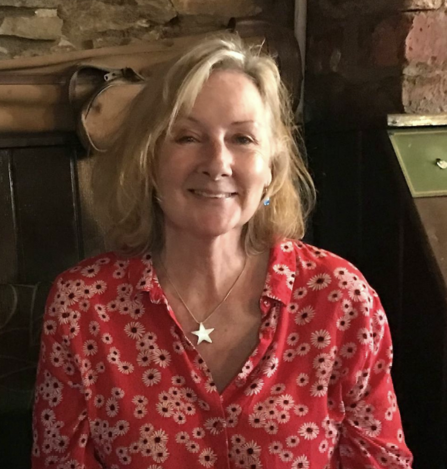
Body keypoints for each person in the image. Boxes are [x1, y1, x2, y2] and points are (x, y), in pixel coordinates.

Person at [32, 34, 413, 469]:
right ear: (149, 160)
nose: (217, 163)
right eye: (188, 137)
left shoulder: (339, 298)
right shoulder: (82, 306)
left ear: (271, 167)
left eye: (243, 139)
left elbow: (380, 462)